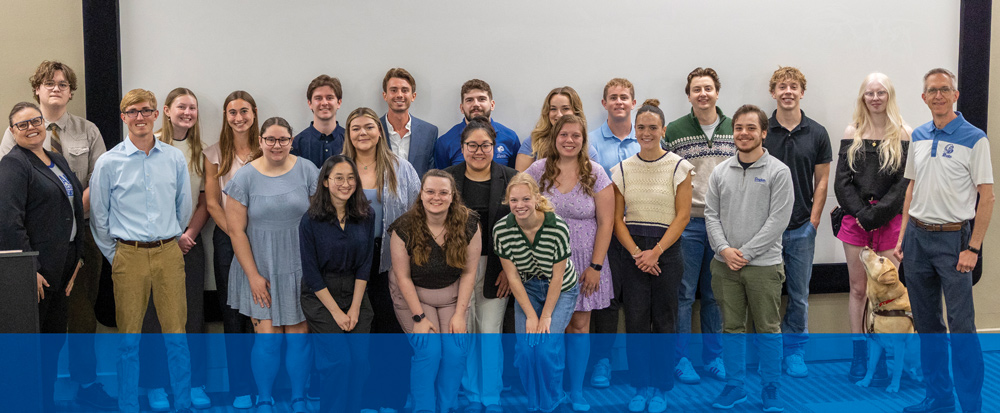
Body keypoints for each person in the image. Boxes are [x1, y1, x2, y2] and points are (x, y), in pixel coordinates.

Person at [0, 61, 114, 410]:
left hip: (74, 250)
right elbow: (9, 208)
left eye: (63, 84)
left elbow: (95, 182)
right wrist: (26, 263)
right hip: (36, 256)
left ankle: (77, 385)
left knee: (70, 326)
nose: (32, 127)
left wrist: (76, 243)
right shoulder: (15, 151)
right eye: (49, 83)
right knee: (34, 334)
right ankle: (31, 398)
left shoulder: (75, 142)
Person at [893, 68, 993, 413]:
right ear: (924, 97)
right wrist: (904, 234)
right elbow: (911, 187)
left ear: (955, 95)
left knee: (962, 328)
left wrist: (974, 248)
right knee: (927, 325)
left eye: (944, 90)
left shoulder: (975, 138)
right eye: (932, 91)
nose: (938, 95)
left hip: (955, 243)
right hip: (918, 240)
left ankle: (971, 405)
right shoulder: (918, 135)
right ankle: (938, 399)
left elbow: (987, 196)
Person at [89, 89, 192, 413]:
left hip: (167, 253)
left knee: (176, 337)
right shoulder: (108, 163)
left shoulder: (174, 158)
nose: (140, 117)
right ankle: (128, 405)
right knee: (129, 341)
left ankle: (184, 403)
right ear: (123, 117)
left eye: (146, 110)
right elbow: (99, 215)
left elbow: (184, 207)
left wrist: (168, 239)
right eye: (132, 111)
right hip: (128, 256)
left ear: (155, 115)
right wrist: (116, 255)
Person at [225, 117, 318, 413]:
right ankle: (264, 398)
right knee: (268, 341)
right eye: (270, 140)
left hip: (299, 267)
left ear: (291, 141)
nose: (276, 145)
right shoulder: (244, 177)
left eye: (283, 140)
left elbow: (319, 220)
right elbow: (236, 230)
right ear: (261, 141)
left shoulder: (307, 170)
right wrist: (252, 276)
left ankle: (298, 397)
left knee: (299, 339)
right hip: (259, 269)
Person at [706, 104, 793, 412]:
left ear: (763, 133)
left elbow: (778, 220)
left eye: (751, 128)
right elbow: (710, 215)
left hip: (764, 266)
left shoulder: (779, 172)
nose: (743, 133)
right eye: (739, 128)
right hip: (725, 265)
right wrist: (724, 250)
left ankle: (770, 388)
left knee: (768, 328)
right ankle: (735, 387)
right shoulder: (719, 172)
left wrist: (747, 253)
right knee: (730, 328)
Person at [0, 102, 86, 412]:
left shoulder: (57, 159)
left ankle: (46, 403)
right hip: (36, 273)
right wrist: (28, 269)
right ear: (12, 132)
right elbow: (8, 221)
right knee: (31, 349)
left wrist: (77, 261)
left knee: (52, 345)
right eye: (22, 125)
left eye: (35, 121)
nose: (31, 127)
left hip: (63, 268)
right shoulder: (14, 165)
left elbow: (72, 211)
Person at [525, 114, 613, 412]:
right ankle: (551, 391)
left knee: (578, 325)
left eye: (576, 135)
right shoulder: (537, 171)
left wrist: (596, 266)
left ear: (583, 139)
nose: (569, 140)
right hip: (544, 263)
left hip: (585, 261)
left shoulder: (596, 173)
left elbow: (606, 223)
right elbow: (522, 215)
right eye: (564, 135)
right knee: (551, 328)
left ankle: (576, 391)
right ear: (554, 137)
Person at [610, 100, 692, 413]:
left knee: (664, 320)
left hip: (666, 253)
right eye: (641, 127)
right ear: (635, 129)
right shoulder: (621, 169)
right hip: (632, 253)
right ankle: (640, 386)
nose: (646, 132)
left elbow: (683, 216)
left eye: (652, 127)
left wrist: (655, 252)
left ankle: (660, 387)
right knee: (635, 320)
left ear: (663, 130)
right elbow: (617, 219)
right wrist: (636, 253)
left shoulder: (679, 166)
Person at [342, 107, 421, 413]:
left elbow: (418, 213)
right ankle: (364, 399)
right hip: (351, 262)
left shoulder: (401, 168)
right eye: (356, 128)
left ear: (380, 132)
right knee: (362, 331)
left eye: (369, 127)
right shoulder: (338, 168)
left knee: (393, 329)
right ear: (349, 134)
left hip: (393, 259)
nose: (363, 133)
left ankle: (392, 398)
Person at [833, 73, 911, 383]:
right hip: (856, 221)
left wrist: (878, 214)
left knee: (887, 291)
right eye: (869, 93)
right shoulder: (852, 131)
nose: (875, 98)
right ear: (862, 98)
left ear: (889, 96)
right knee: (859, 289)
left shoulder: (904, 133)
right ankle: (860, 356)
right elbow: (842, 181)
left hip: (890, 221)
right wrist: (862, 213)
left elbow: (904, 184)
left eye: (881, 93)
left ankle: (887, 362)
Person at [139, 87, 212, 410]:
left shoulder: (203, 152)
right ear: (165, 110)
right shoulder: (147, 146)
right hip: (154, 244)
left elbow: (204, 201)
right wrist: (168, 236)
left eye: (192, 108)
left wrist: (188, 235)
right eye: (181, 107)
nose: (187, 112)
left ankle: (193, 383)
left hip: (188, 245)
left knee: (191, 316)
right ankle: (155, 386)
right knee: (153, 317)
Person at [388, 170, 481, 413]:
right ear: (421, 194)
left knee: (455, 352)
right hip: (414, 297)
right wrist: (418, 318)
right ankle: (424, 408)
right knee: (429, 352)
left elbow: (470, 272)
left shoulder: (469, 222)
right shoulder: (404, 227)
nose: (436, 197)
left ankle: (446, 406)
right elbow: (403, 277)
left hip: (451, 295)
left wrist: (460, 315)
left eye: (443, 192)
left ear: (453, 196)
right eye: (430, 191)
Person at [443, 117, 518, 413]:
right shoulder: (447, 178)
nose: (478, 151)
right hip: (458, 268)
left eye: (485, 145)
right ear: (462, 147)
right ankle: (473, 394)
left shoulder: (510, 177)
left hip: (498, 269)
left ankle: (491, 395)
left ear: (495, 146)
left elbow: (519, 228)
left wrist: (508, 272)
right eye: (472, 145)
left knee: (489, 331)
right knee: (466, 331)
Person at [663, 67, 731, 384]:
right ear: (689, 95)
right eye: (696, 89)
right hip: (687, 224)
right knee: (684, 295)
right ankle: (681, 360)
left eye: (708, 88)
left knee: (715, 296)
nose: (702, 94)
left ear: (717, 92)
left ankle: (714, 359)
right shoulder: (674, 131)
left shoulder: (736, 128)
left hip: (724, 226)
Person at [762, 67, 831, 378]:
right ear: (772, 92)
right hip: (766, 231)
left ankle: (795, 352)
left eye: (793, 86)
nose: (787, 91)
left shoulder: (817, 133)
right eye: (781, 86)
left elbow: (822, 182)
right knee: (767, 294)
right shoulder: (761, 130)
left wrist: (813, 222)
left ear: (802, 92)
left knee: (799, 294)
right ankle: (770, 351)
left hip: (802, 227)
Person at [493, 173, 580, 413]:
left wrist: (546, 315)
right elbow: (512, 277)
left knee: (546, 347)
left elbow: (558, 277)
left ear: (536, 199)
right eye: (513, 201)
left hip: (561, 289)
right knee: (525, 348)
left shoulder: (557, 226)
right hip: (528, 287)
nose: (519, 206)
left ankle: (553, 400)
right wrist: (532, 315)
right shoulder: (502, 230)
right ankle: (534, 402)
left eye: (525, 199)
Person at [299, 155, 375, 413]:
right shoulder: (310, 220)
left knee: (359, 362)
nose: (346, 183)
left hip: (356, 292)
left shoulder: (366, 215)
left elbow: (366, 265)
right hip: (321, 296)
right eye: (339, 178)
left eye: (351, 177)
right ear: (325, 182)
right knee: (338, 362)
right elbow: (310, 272)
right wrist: (337, 313)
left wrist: (354, 309)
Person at [203, 90, 259, 409]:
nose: (238, 117)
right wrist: (237, 235)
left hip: (261, 239)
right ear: (225, 116)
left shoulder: (267, 150)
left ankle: (261, 385)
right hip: (227, 239)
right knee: (232, 314)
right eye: (232, 112)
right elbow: (212, 202)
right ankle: (240, 388)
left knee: (260, 314)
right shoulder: (214, 154)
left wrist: (251, 237)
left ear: (254, 113)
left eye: (244, 111)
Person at [588, 78, 640, 389]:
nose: (619, 101)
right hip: (605, 233)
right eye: (613, 97)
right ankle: (602, 362)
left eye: (624, 97)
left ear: (633, 102)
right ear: (604, 103)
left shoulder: (648, 137)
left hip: (643, 235)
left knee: (637, 301)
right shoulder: (591, 142)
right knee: (606, 302)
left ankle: (641, 365)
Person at [434, 79, 520, 169]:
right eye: (469, 100)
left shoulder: (510, 138)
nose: (476, 104)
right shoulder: (445, 142)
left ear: (492, 105)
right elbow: (442, 179)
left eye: (482, 99)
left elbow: (515, 177)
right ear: (462, 108)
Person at [515, 86, 599, 172]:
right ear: (547, 112)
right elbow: (520, 182)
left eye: (565, 109)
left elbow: (594, 181)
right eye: (553, 109)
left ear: (576, 112)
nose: (559, 115)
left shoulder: (587, 149)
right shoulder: (532, 143)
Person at [381, 68, 439, 178]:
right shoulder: (373, 129)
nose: (399, 95)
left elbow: (431, 174)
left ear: (413, 96)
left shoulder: (429, 132)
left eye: (405, 90)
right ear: (385, 95)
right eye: (393, 90)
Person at [293, 74, 346, 168]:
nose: (324, 103)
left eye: (330, 97)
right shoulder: (297, 143)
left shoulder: (349, 139)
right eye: (318, 98)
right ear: (310, 103)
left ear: (339, 103)